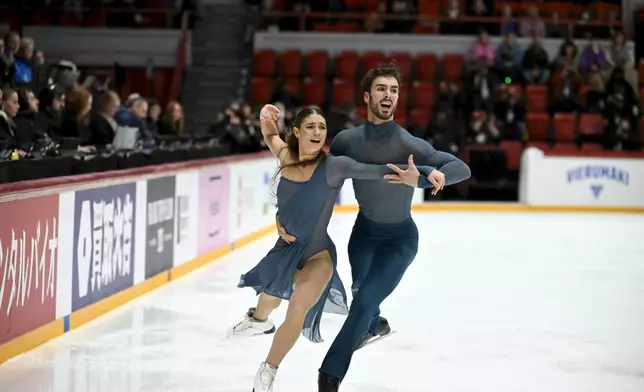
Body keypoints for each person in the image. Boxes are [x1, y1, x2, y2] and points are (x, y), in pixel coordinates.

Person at [278, 63, 472, 391]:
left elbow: (461, 168)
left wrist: (424, 179)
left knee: (364, 299)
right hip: (362, 237)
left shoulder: (408, 143)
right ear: (367, 96)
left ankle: (329, 376)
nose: (388, 95)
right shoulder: (345, 141)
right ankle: (374, 325)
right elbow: (324, 185)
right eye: (382, 89)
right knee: (362, 299)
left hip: (399, 241)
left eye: (394, 90)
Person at [229, 104, 438, 392]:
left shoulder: (334, 166)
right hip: (285, 250)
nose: (317, 132)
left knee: (298, 307)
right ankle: (259, 321)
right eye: (311, 127)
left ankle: (268, 370)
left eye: (322, 127)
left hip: (318, 255)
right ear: (297, 132)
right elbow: (270, 135)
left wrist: (426, 173)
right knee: (269, 301)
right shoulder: (286, 157)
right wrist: (266, 115)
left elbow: (377, 171)